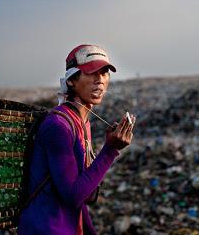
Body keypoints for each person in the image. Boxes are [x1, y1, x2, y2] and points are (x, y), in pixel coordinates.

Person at [18, 44, 135, 235]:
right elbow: (73, 195)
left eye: (105, 73)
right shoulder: (59, 126)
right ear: (71, 80)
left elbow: (80, 195)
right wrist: (111, 150)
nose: (100, 80)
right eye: (91, 73)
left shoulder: (81, 121)